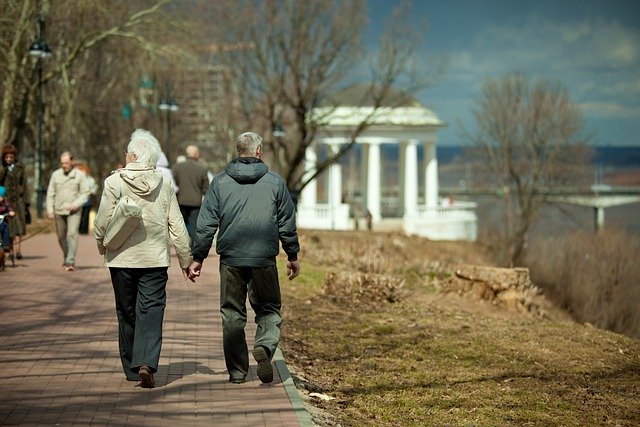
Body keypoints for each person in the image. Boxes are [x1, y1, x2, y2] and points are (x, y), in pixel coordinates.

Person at [188, 131, 300, 384]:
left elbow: (206, 224)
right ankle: (265, 346)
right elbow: (287, 223)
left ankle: (238, 372)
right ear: (258, 151)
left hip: (231, 258)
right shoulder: (275, 182)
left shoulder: (219, 182)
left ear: (238, 151)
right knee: (269, 308)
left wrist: (198, 257)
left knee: (232, 314)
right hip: (264, 258)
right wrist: (292, 254)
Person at [93, 129, 193, 389]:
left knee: (126, 312)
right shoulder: (164, 184)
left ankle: (130, 368)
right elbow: (177, 225)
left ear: (133, 155)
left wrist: (101, 246)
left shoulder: (114, 182)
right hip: (155, 259)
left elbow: (103, 219)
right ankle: (147, 361)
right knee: (151, 311)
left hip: (121, 259)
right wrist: (185, 259)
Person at [46, 151, 90, 271]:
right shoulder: (55, 175)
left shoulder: (80, 175)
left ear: (72, 162)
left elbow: (85, 193)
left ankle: (70, 261)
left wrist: (76, 204)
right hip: (59, 211)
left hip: (74, 212)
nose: (64, 165)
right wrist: (50, 210)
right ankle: (67, 257)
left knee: (72, 234)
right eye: (62, 163)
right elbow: (50, 194)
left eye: (66, 163)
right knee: (61, 237)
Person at [171, 145, 209, 239]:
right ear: (196, 154)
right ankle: (192, 248)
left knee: (181, 226)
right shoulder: (201, 169)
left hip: (181, 200)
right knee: (193, 226)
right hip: (195, 202)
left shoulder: (177, 167)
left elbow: (173, 183)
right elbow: (206, 187)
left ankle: (182, 247)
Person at [0, 144, 29, 259]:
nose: (9, 159)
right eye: (6, 157)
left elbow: (24, 184)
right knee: (9, 229)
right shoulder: (2, 169)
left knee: (19, 228)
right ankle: (10, 252)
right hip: (6, 202)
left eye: (11, 157)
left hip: (19, 201)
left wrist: (26, 202)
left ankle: (18, 251)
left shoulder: (20, 167)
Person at [75, 163, 99, 235]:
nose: (83, 172)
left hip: (87, 200)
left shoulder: (91, 179)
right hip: (79, 200)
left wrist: (90, 191)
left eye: (84, 171)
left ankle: (84, 231)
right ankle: (78, 230)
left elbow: (94, 189)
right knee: (79, 216)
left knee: (86, 216)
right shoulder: (78, 179)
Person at [0, 186, 15, 252]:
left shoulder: (5, 203)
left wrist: (11, 212)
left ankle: (6, 244)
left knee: (5, 227)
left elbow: (9, 208)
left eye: (1, 196)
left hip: (2, 222)